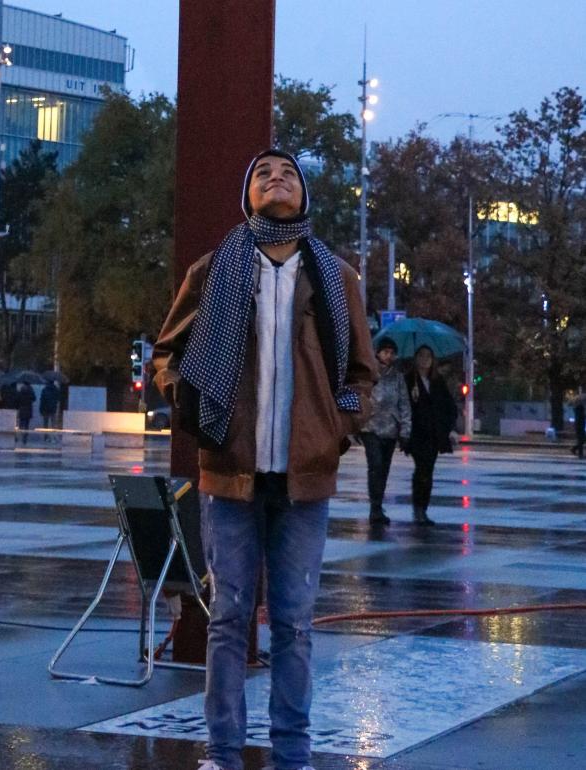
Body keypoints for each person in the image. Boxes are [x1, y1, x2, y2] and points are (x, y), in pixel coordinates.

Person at [152, 149, 375, 770]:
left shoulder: (335, 276)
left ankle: (292, 753)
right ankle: (223, 752)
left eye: (288, 175)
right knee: (227, 619)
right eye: (262, 175)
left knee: (295, 625)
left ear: (304, 194)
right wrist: (192, 404)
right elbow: (167, 355)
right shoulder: (212, 270)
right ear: (246, 196)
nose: (275, 180)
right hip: (229, 472)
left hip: (304, 479)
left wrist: (335, 427)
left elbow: (363, 373)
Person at [404, 345, 457, 527]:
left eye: (428, 356)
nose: (425, 359)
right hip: (417, 434)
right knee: (422, 470)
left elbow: (448, 407)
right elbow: (404, 405)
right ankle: (418, 509)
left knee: (428, 471)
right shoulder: (409, 380)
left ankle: (422, 509)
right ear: (416, 358)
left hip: (433, 435)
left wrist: (447, 428)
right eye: (421, 356)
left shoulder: (437, 381)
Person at [361, 337, 411, 526]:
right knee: (375, 466)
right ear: (378, 353)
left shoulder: (397, 378)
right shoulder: (369, 374)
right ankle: (374, 507)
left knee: (384, 469)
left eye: (392, 352)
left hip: (390, 429)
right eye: (385, 352)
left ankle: (379, 504)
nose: (388, 356)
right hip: (370, 428)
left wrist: (405, 431)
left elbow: (404, 404)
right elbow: (361, 396)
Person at [572, 394, 585, 458]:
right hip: (580, 425)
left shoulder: (576, 408)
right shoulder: (580, 409)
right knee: (581, 439)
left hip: (579, 425)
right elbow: (581, 417)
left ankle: (575, 449)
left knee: (582, 439)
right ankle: (580, 454)